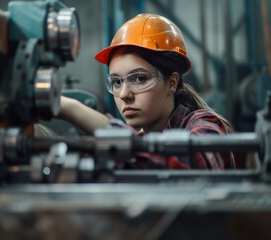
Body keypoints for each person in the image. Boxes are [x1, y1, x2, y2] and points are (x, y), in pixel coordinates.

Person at [58, 13, 235, 169]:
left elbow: (185, 169)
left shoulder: (205, 125)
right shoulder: (143, 141)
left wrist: (73, 109)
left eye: (140, 79)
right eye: (117, 82)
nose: (124, 95)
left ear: (172, 83)